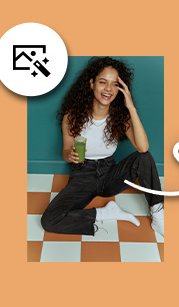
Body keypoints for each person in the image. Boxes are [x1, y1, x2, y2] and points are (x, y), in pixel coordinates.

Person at [41, 57, 165, 237]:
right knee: (49, 220)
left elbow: (143, 147)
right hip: (82, 174)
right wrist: (70, 155)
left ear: (120, 89)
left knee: (143, 158)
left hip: (109, 174)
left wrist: (131, 107)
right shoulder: (72, 116)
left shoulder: (121, 118)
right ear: (92, 84)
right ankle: (105, 213)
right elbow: (66, 150)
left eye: (114, 84)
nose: (108, 89)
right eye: (102, 82)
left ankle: (158, 214)